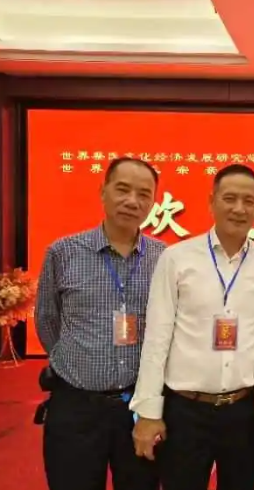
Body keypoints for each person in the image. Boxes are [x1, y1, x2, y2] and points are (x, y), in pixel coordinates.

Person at [130, 164, 254, 490]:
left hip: (242, 412)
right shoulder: (177, 258)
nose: (239, 208)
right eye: (230, 198)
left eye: (249, 201)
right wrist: (149, 412)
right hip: (186, 411)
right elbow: (157, 338)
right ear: (211, 202)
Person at [35, 157, 165, 490]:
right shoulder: (64, 252)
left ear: (153, 201)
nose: (132, 201)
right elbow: (47, 320)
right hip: (76, 406)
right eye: (122, 189)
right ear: (102, 192)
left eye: (144, 194)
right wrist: (76, 361)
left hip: (138, 407)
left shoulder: (165, 258)